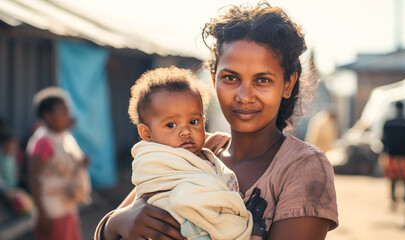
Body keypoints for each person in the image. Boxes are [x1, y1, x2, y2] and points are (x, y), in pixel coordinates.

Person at [97, 3, 338, 240]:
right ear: (213, 80)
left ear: (287, 84)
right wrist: (115, 223)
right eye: (231, 78)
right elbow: (119, 221)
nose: (244, 96)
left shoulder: (302, 168)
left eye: (262, 80)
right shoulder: (193, 149)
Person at [129, 66, 252, 240]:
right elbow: (152, 196)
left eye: (193, 121)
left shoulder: (208, 154)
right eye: (171, 125)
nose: (186, 131)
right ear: (146, 133)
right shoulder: (154, 160)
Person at [26, 87, 91, 240]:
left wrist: (82, 163)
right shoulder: (43, 142)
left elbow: (67, 163)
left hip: (68, 207)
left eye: (68, 111)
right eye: (63, 112)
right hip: (52, 212)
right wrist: (42, 216)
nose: (68, 116)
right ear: (47, 116)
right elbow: (34, 181)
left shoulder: (63, 136)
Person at [379, 101, 405, 215]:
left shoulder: (388, 122)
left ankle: (394, 201)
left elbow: (383, 139)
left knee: (393, 179)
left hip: (392, 155)